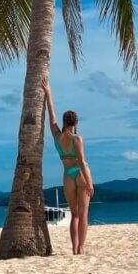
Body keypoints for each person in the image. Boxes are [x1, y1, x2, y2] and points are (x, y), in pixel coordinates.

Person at [42, 79, 94, 255]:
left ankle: (74, 248)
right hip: (80, 174)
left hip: (67, 176)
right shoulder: (76, 139)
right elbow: (81, 161)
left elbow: (52, 116)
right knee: (84, 213)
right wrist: (89, 182)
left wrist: (48, 93)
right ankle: (81, 248)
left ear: (65, 121)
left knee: (74, 215)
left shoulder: (57, 137)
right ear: (76, 123)